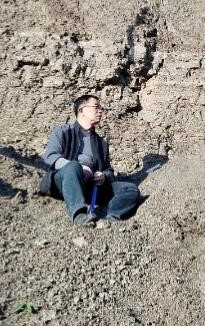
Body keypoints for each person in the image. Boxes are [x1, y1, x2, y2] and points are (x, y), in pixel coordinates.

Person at [40, 94, 140, 227]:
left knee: (130, 188)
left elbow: (109, 170)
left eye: (100, 108)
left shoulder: (101, 143)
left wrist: (103, 176)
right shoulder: (63, 131)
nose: (100, 111)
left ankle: (111, 216)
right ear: (81, 110)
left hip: (90, 186)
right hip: (64, 182)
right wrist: (78, 168)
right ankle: (79, 216)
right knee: (73, 166)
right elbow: (50, 157)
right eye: (96, 107)